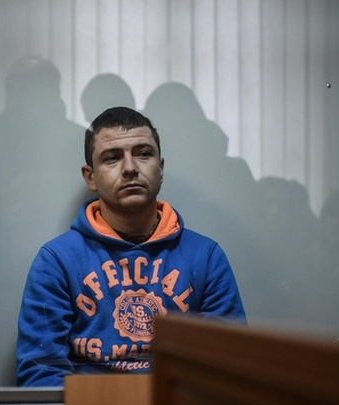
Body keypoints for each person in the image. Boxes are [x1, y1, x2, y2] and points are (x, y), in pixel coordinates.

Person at [16, 107, 246, 387]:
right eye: (112, 158)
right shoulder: (57, 261)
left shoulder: (206, 258)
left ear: (160, 169)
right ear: (90, 177)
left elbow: (227, 368)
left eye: (143, 154)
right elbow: (40, 374)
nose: (129, 168)